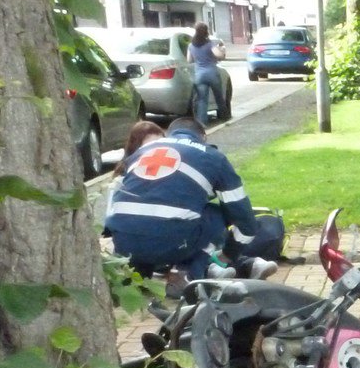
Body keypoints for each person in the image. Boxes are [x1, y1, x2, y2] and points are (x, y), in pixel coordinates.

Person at [105, 117, 267, 282]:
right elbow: (246, 221)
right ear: (203, 136)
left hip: (123, 242)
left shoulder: (143, 151)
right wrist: (229, 254)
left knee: (152, 223)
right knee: (216, 213)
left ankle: (137, 276)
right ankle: (188, 273)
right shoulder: (213, 157)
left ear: (169, 133)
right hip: (170, 243)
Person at [187, 22, 229, 125]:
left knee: (202, 100)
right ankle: (224, 117)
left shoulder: (191, 45)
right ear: (206, 31)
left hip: (199, 75)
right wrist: (223, 50)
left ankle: (202, 123)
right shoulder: (209, 44)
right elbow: (219, 55)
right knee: (219, 97)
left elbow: (189, 60)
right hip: (212, 73)